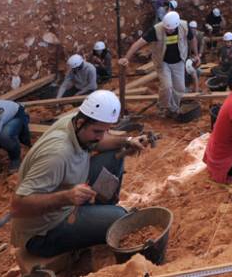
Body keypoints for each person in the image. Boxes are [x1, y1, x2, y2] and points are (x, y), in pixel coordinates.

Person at [11, 90, 153, 258]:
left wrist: (127, 141)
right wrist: (66, 197)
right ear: (80, 122)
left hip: (70, 200)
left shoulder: (73, 122)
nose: (101, 137)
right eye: (97, 132)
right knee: (121, 220)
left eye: (105, 131)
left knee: (114, 155)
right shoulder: (56, 155)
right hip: (45, 232)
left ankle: (98, 211)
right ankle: (101, 216)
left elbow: (102, 141)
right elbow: (18, 206)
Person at [119, 12, 197, 117]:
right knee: (167, 86)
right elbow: (138, 44)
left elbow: (192, 39)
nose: (168, 30)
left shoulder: (184, 26)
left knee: (180, 88)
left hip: (178, 61)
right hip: (162, 62)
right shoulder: (156, 30)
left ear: (177, 25)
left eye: (171, 29)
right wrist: (126, 58)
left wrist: (196, 54)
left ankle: (173, 108)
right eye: (166, 28)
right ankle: (163, 107)